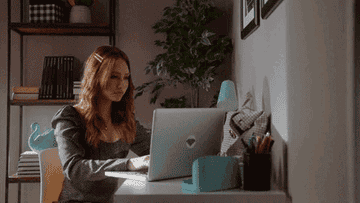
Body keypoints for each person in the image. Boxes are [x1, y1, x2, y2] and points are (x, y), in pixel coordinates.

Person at [51, 46, 151, 203]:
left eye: (126, 77)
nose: (121, 85)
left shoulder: (125, 121)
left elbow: (155, 151)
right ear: (95, 77)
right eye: (113, 77)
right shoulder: (70, 117)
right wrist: (129, 164)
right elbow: (74, 169)